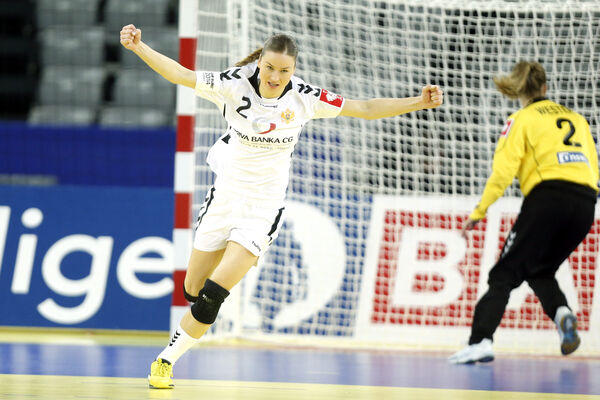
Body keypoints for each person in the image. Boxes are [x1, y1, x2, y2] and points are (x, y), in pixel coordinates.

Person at [120, 24, 443, 388]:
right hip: (224, 199)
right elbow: (181, 74)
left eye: (284, 70)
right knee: (192, 290)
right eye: (270, 68)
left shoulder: (305, 97)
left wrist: (418, 102)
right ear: (259, 62)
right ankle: (213, 292)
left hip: (262, 209)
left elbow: (364, 108)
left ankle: (165, 361)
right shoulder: (233, 84)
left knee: (211, 296)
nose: (275, 77)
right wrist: (139, 48)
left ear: (294, 70)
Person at [449, 61, 599, 364]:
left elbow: (503, 173)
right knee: (539, 270)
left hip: (548, 197)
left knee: (503, 274)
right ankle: (562, 314)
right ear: (545, 87)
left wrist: (479, 211)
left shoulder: (520, 119)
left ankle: (480, 341)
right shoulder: (578, 120)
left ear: (519, 90)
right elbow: (593, 166)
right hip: (585, 204)